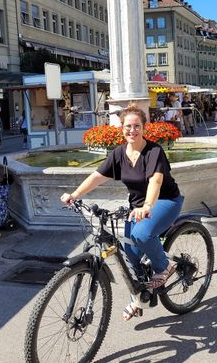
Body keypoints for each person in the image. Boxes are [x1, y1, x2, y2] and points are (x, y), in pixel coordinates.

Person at [61, 104, 183, 321]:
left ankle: (165, 267)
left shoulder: (154, 151)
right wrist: (75, 194)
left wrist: (147, 207)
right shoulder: (118, 153)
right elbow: (97, 176)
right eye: (128, 126)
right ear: (122, 128)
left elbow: (155, 181)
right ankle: (138, 297)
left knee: (142, 235)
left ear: (144, 128)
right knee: (129, 254)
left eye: (137, 126)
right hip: (137, 207)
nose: (132, 130)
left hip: (164, 201)